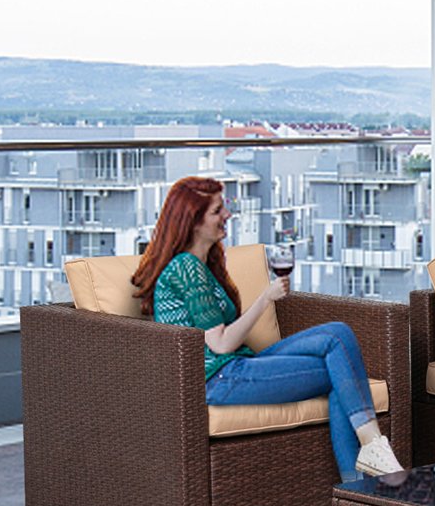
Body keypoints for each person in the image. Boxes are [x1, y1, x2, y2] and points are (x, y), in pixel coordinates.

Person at [133, 176, 401, 480]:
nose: (227, 215)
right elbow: (220, 344)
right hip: (218, 378)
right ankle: (363, 479)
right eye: (217, 211)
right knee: (343, 376)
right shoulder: (187, 267)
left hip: (235, 366)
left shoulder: (202, 265)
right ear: (193, 221)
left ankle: (370, 456)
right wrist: (265, 298)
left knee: (337, 335)